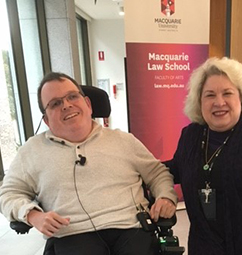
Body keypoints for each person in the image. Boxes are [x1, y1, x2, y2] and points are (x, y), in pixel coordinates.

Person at [0, 72, 177, 255]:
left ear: (88, 104)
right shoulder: (32, 151)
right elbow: (8, 194)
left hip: (130, 228)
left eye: (72, 96)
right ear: (46, 120)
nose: (67, 105)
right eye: (55, 103)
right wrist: (32, 215)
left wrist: (165, 196)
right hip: (72, 233)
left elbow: (158, 173)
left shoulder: (123, 141)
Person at [165, 57, 242, 255]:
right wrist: (133, 167)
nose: (219, 102)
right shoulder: (191, 135)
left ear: (241, 97)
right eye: (210, 95)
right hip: (204, 246)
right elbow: (175, 169)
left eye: (227, 93)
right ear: (199, 101)